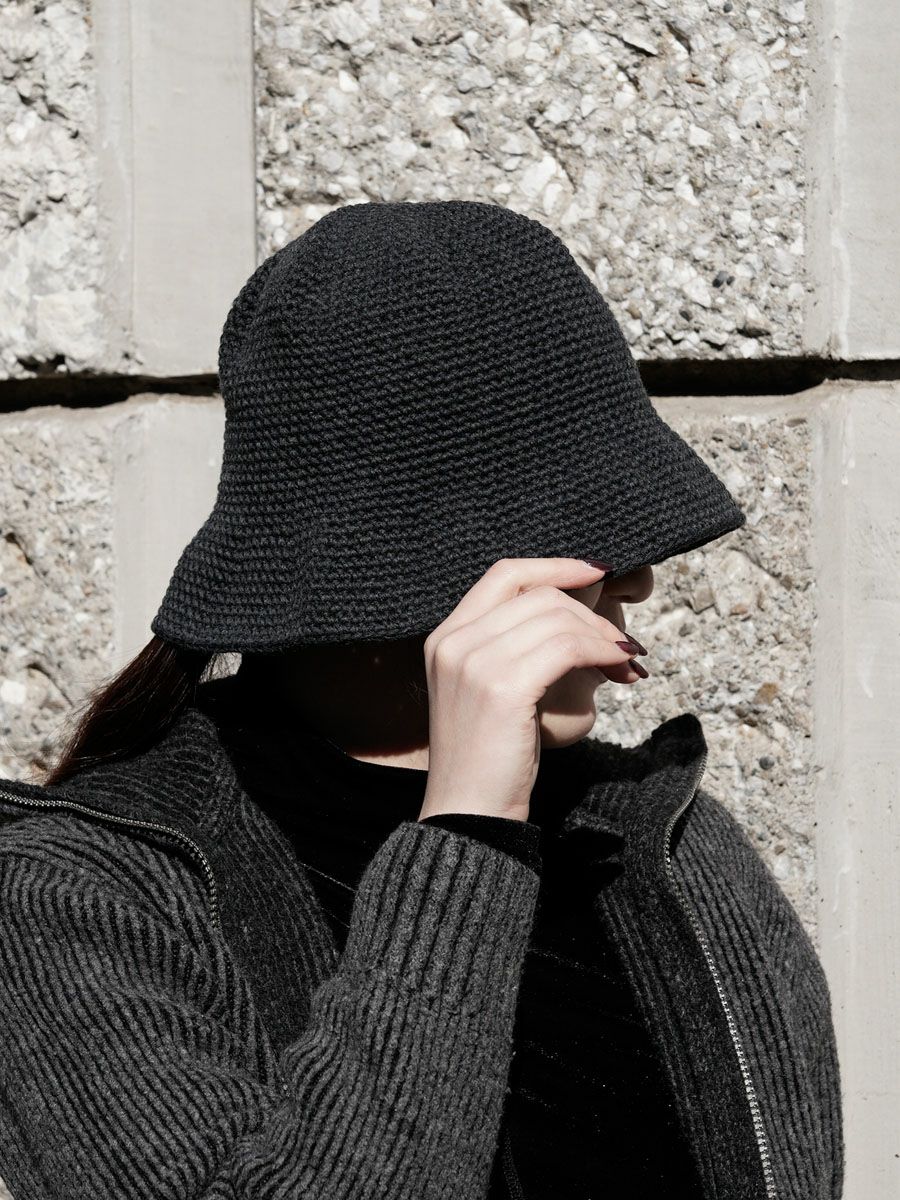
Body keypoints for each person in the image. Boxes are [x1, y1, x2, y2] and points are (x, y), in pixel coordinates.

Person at [0, 200, 842, 1200]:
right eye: (584, 532)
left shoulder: (672, 847)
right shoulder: (86, 897)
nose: (639, 580)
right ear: (414, 566)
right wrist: (469, 835)